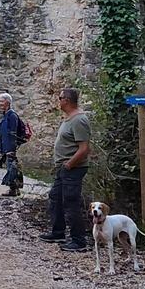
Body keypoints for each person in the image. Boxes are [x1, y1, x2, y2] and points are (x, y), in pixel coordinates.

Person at [40, 88, 91, 252]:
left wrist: (69, 164)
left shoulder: (79, 120)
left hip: (73, 168)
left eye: (60, 98)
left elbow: (84, 148)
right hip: (64, 168)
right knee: (55, 197)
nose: (58, 101)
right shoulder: (69, 119)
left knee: (71, 202)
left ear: (67, 100)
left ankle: (79, 240)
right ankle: (58, 232)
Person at [0, 93, 26, 197]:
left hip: (11, 147)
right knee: (12, 167)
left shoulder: (12, 115)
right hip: (7, 146)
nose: (0, 103)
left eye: (2, 101)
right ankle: (15, 189)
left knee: (12, 168)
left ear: (7, 102)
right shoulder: (7, 115)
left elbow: (12, 132)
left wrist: (11, 148)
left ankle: (13, 189)